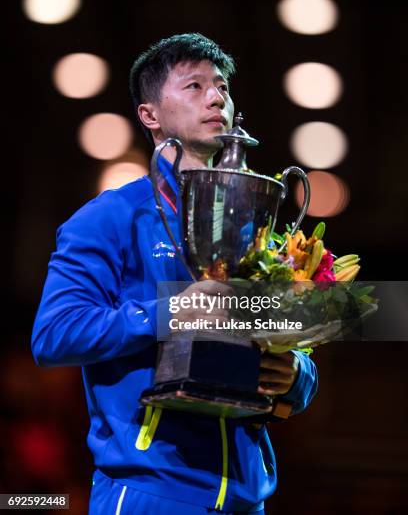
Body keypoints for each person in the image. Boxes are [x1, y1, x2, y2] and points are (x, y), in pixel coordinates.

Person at [31, 33, 318, 514]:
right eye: (194, 86)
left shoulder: (253, 227)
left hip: (250, 498)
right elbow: (54, 336)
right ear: (150, 115)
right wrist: (174, 312)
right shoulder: (110, 218)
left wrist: (295, 376)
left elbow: (292, 342)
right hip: (152, 489)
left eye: (222, 86)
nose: (216, 97)